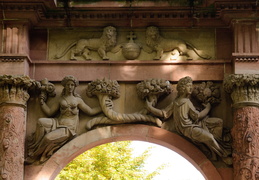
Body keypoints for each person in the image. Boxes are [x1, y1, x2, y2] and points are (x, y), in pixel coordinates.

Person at [145, 76, 231, 163]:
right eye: (189, 86)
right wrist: (208, 108)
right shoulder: (184, 102)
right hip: (189, 129)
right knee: (210, 137)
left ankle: (214, 148)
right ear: (182, 88)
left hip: (196, 125)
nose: (191, 88)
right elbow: (197, 116)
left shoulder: (178, 102)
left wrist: (150, 108)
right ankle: (223, 155)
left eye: (191, 86)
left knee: (218, 122)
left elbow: (164, 113)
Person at [26, 75, 102, 164]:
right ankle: (35, 145)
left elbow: (91, 111)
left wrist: (102, 107)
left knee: (48, 138)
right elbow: (50, 113)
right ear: (64, 86)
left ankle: (34, 155)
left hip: (68, 129)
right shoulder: (60, 99)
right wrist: (42, 103)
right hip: (57, 123)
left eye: (72, 85)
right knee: (40, 122)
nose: (70, 87)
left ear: (74, 87)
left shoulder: (78, 100)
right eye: (68, 85)